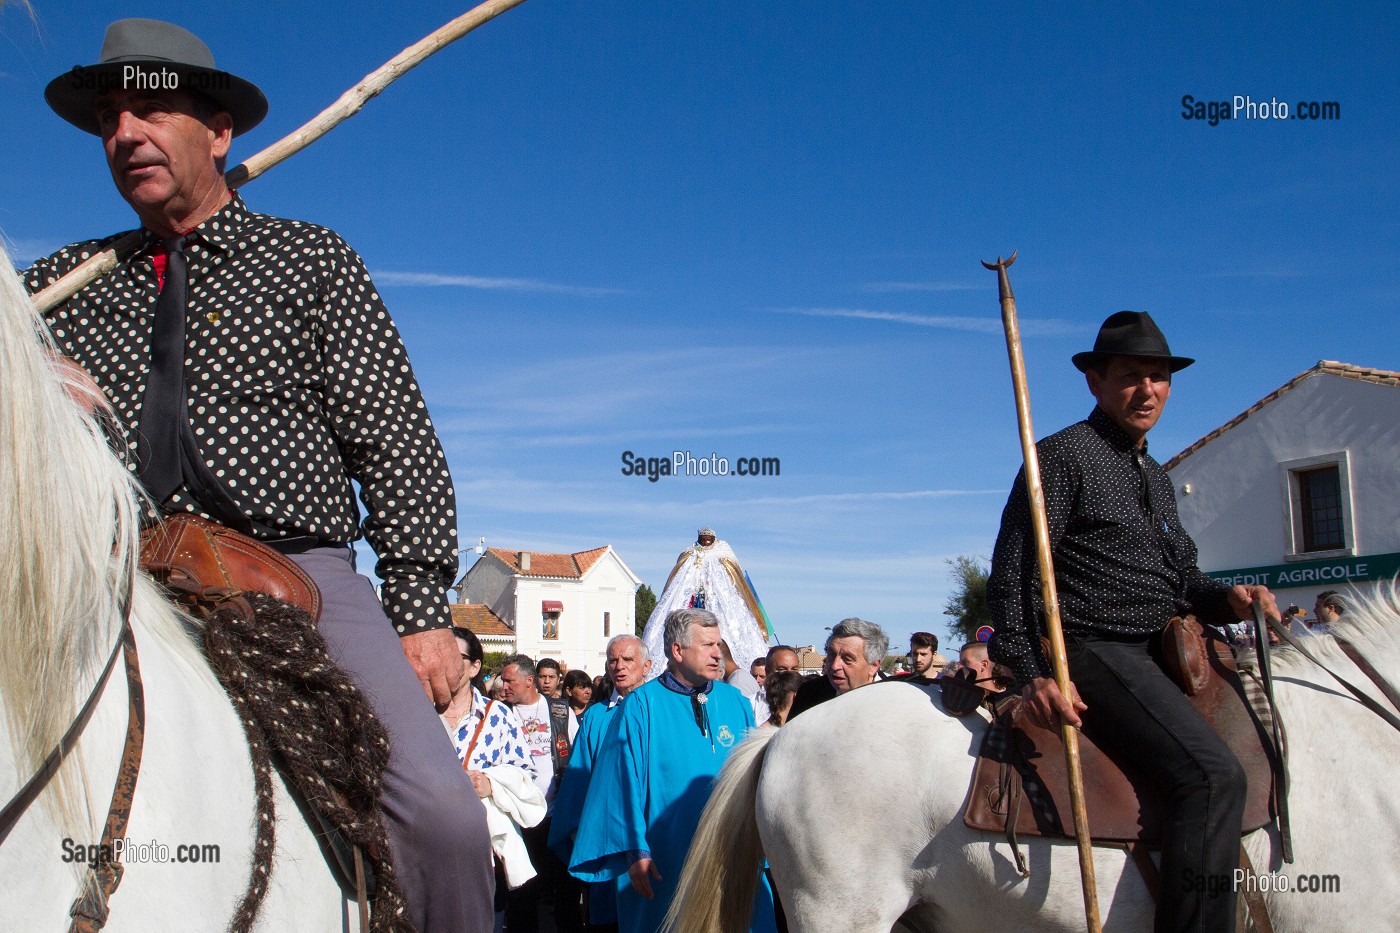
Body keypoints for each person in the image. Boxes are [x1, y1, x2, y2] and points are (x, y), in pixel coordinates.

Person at [23, 19, 491, 930]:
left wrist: (424, 609)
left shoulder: (310, 262)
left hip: (293, 573)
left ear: (220, 130)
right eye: (110, 117)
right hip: (113, 576)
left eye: (151, 108)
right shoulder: (62, 286)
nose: (124, 133)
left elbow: (395, 443)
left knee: (441, 821)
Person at [986, 310, 1280, 933]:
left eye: (1158, 377)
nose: (1146, 390)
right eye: (1129, 376)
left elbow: (1187, 583)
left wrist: (1233, 599)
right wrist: (1034, 671)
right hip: (1096, 650)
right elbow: (1012, 576)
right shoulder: (1059, 457)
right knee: (1211, 776)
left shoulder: (1157, 475)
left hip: (1162, 647)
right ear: (1095, 381)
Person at [569, 609, 776, 933]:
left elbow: (754, 780)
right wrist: (635, 849)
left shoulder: (735, 701)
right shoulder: (641, 705)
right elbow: (623, 781)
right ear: (678, 651)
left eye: (718, 644)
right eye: (707, 645)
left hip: (730, 856)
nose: (717, 652)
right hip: (663, 860)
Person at [550, 634, 653, 931]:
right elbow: (581, 773)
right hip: (608, 837)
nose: (619, 666)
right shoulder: (596, 716)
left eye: (628, 660)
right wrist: (575, 828)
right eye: (613, 660)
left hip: (649, 831)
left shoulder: (658, 710)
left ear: (646, 666)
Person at [441, 628, 545, 894]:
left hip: (482, 852)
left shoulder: (497, 716)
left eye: (456, 656)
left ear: (475, 666)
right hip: (430, 846)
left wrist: (491, 784)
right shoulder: (420, 712)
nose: (445, 663)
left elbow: (526, 772)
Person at [499, 654, 581, 932]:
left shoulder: (559, 710)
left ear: (528, 681)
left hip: (556, 812)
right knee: (524, 888)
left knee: (563, 883)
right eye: (503, 680)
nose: (504, 686)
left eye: (510, 680)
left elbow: (576, 753)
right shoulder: (500, 713)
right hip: (519, 815)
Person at [641, 528, 772, 676]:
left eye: (709, 538)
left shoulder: (723, 552)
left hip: (718, 600)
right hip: (693, 600)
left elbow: (733, 576)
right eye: (703, 538)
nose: (706, 541)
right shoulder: (689, 553)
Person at [787, 617, 888, 720]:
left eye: (847, 659)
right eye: (831, 655)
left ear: (873, 666)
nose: (835, 666)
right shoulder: (809, 693)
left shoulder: (892, 700)